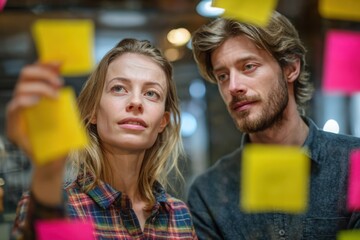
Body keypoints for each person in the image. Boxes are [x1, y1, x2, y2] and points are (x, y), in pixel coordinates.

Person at [187, 11, 360, 239]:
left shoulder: (353, 163)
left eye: (248, 66)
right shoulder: (209, 193)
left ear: (290, 68)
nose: (233, 87)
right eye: (222, 76)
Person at [7, 38, 197, 239]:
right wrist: (47, 176)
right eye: (119, 88)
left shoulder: (178, 215)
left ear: (163, 122)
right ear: (93, 111)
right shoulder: (52, 205)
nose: (135, 101)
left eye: (151, 93)